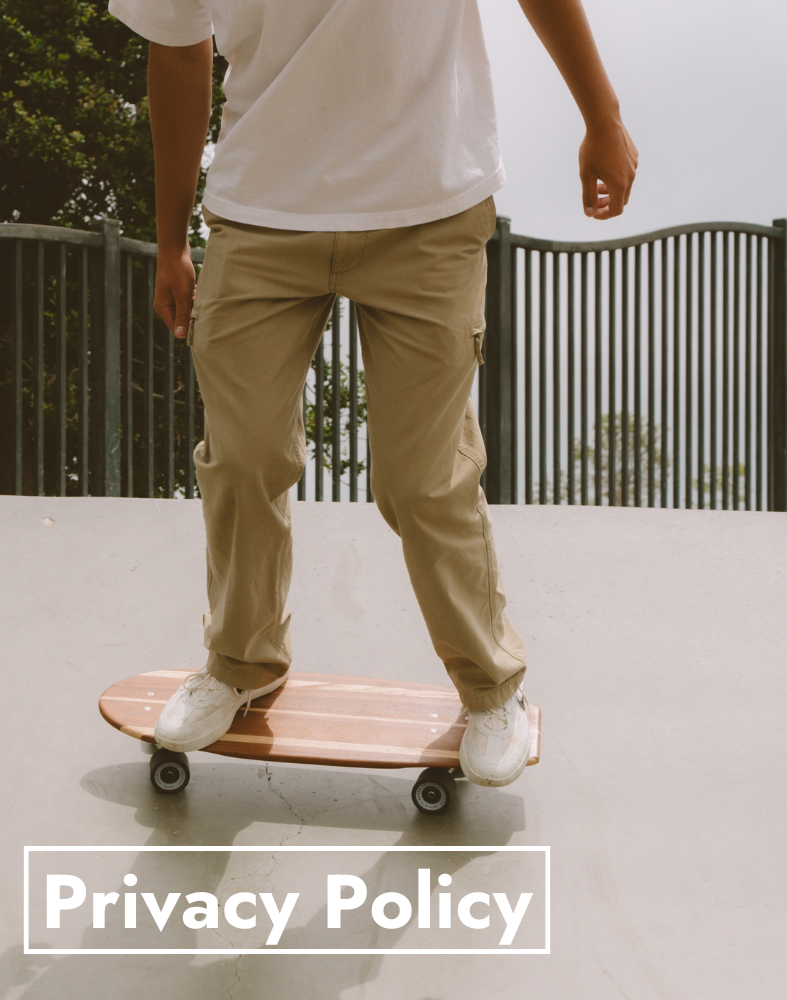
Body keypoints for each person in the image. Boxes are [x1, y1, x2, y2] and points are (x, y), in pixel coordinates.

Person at [109, 0, 637, 786]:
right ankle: (241, 664)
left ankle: (492, 688)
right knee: (243, 456)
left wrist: (603, 116)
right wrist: (172, 241)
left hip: (428, 203)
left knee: (423, 477)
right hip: (263, 210)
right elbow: (178, 50)